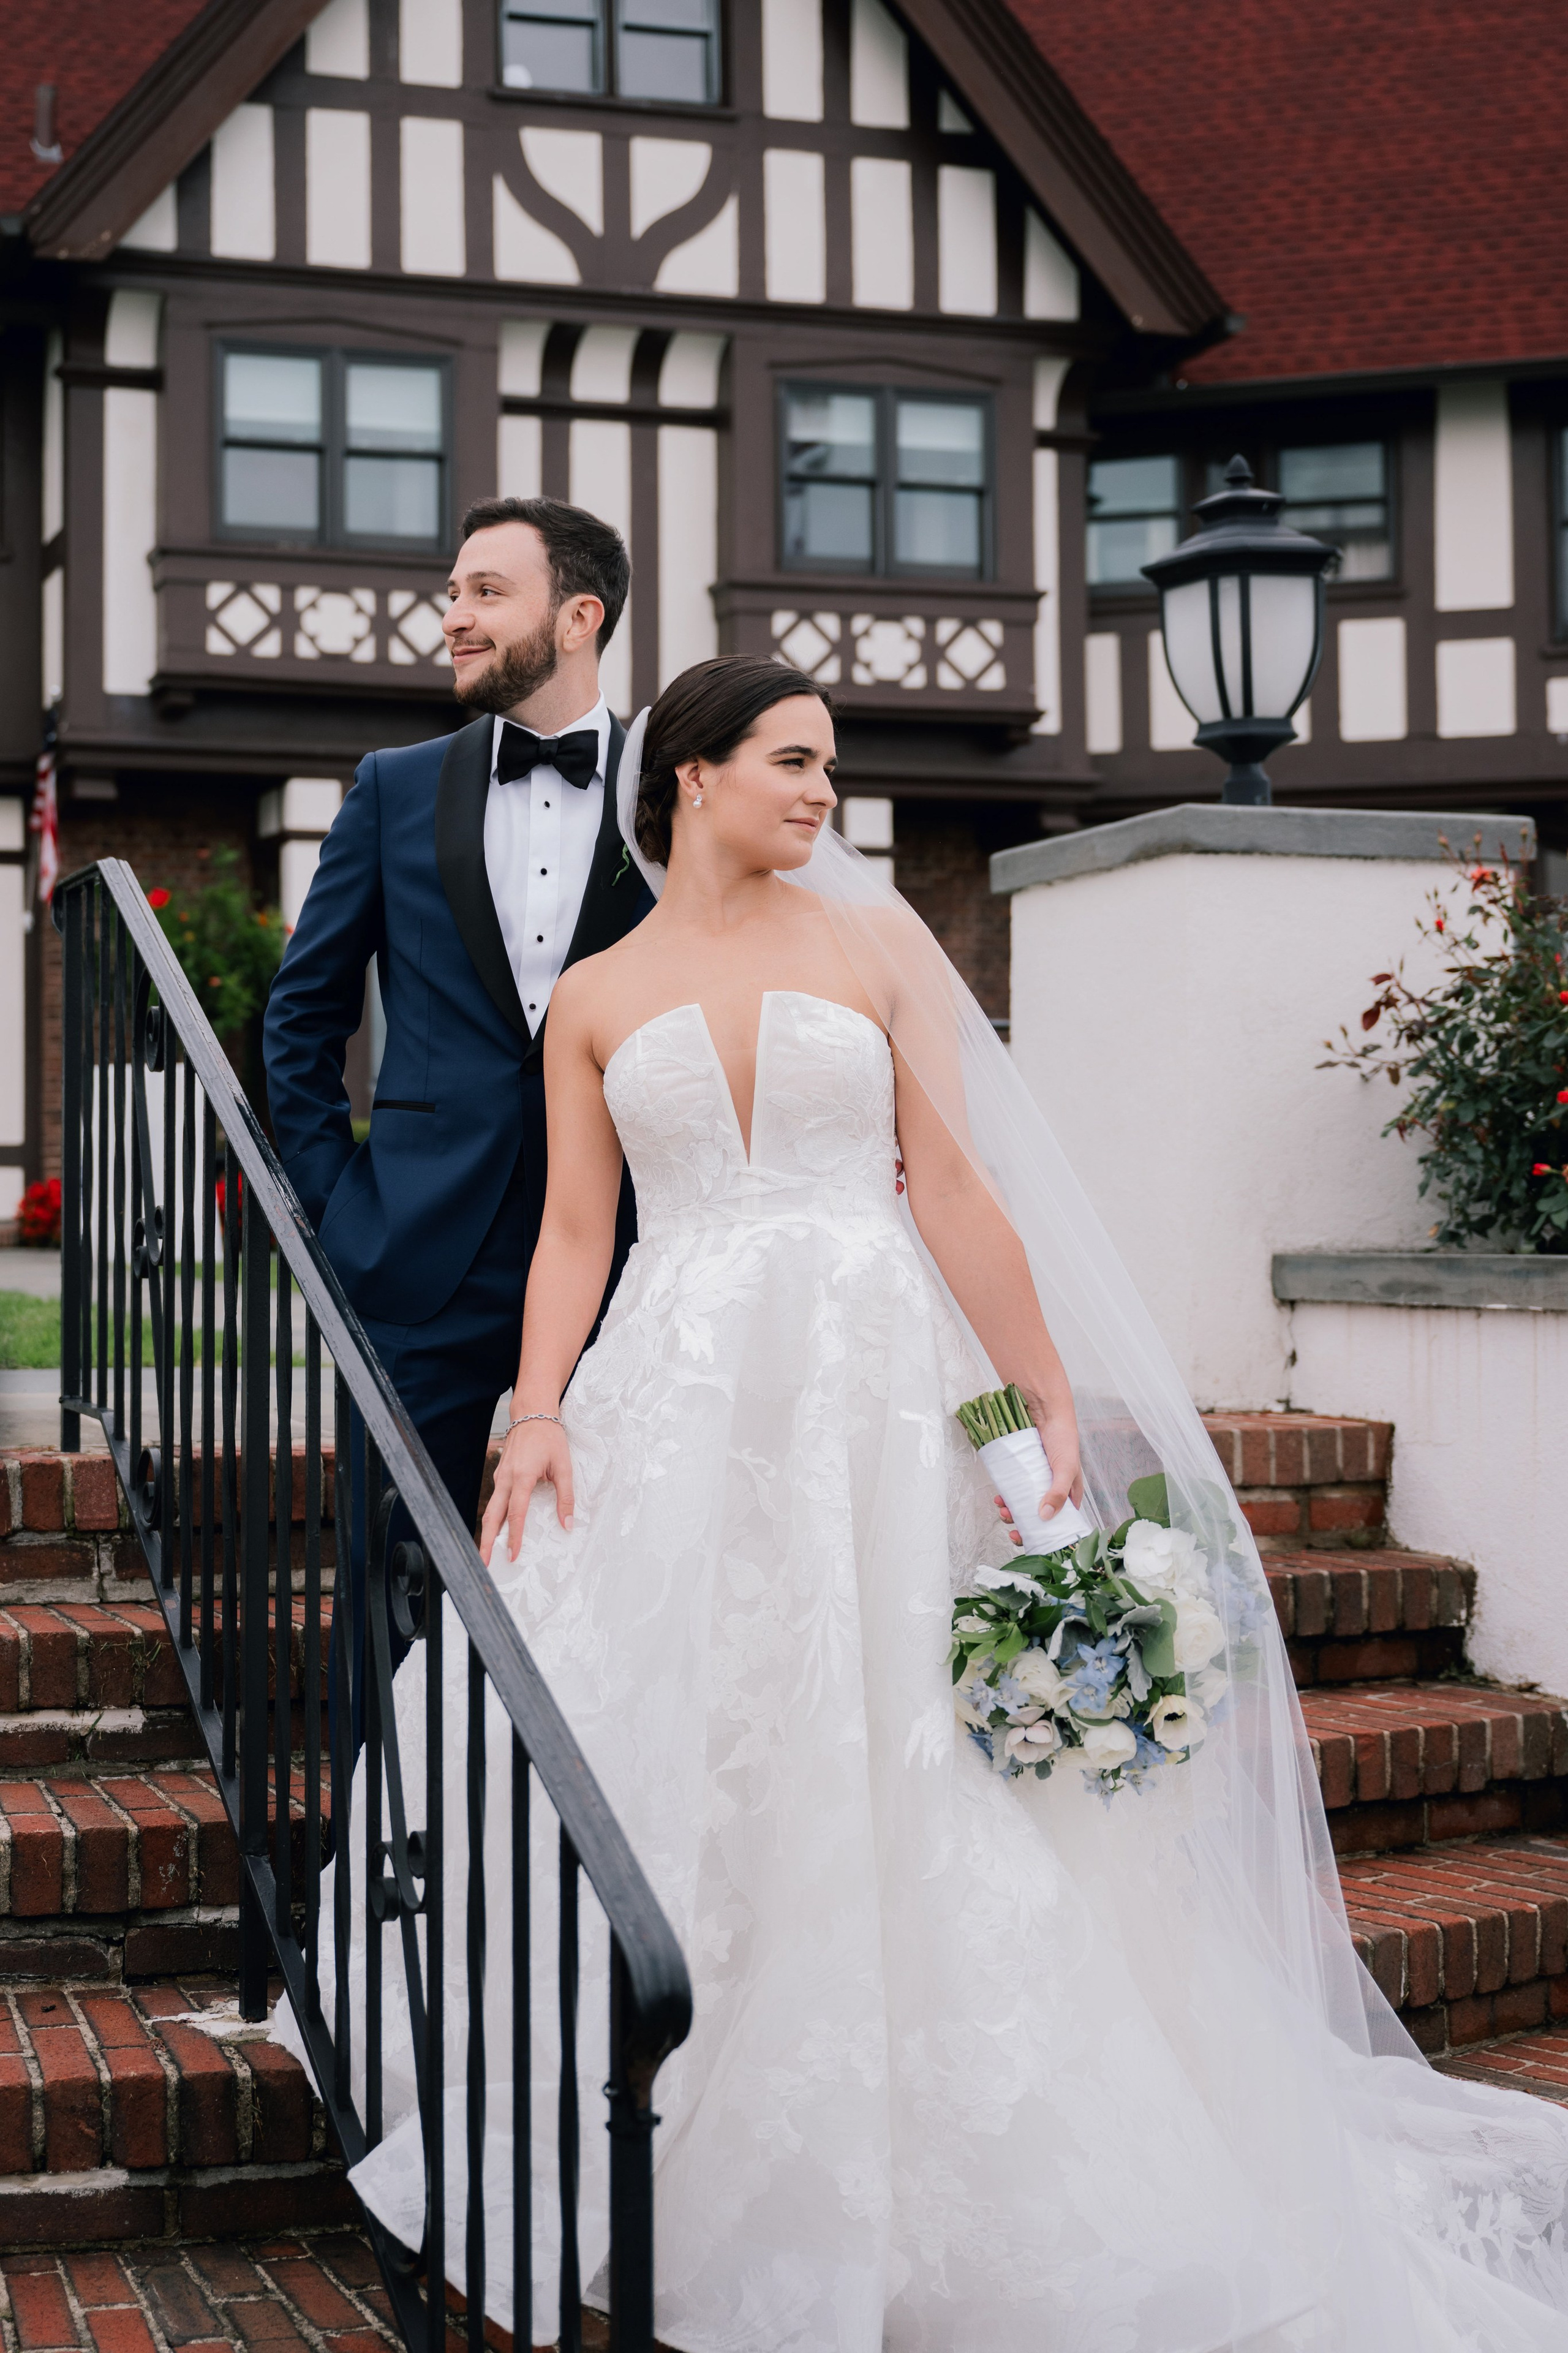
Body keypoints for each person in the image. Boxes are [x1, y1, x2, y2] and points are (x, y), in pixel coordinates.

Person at [288, 657, 1568, 2350]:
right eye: (796, 761)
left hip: (876, 1388)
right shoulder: (595, 994)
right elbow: (577, 1239)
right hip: (668, 1391)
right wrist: (534, 1413)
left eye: (831, 764)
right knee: (668, 1720)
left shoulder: (873, 942)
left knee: (892, 1737)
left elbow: (949, 1188)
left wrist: (1033, 1384)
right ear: (692, 775)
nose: (826, 793)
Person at [262, 496, 651, 1744]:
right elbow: (302, 1015)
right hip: (418, 1250)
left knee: (613, 1563)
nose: (452, 617)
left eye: (485, 591)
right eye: (453, 592)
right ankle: (374, 1873)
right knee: (386, 1566)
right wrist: (338, 1204)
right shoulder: (391, 788)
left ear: (576, 615)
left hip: (634, 1254)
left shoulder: (677, 788)